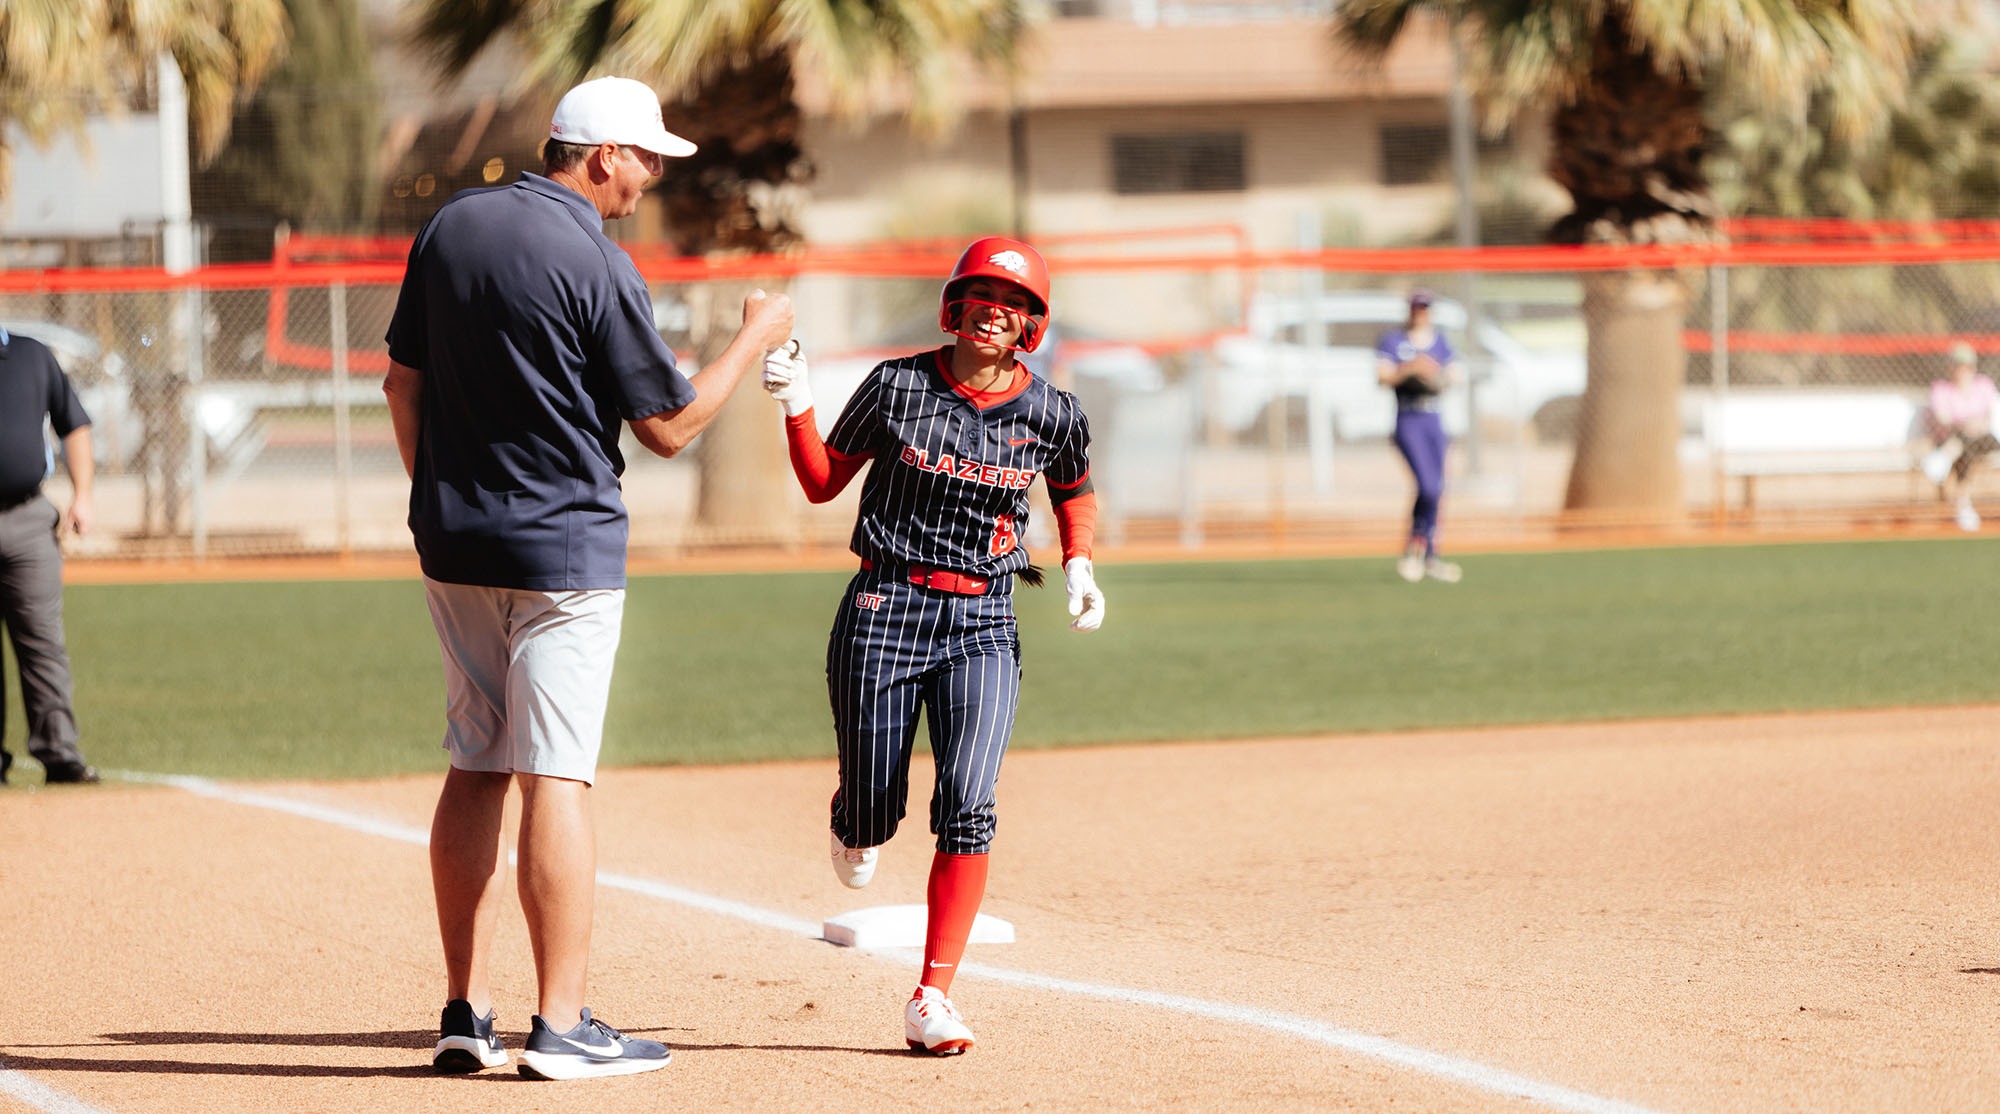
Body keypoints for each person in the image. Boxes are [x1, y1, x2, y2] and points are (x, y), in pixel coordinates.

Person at [383, 75, 794, 1081]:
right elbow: (669, 427)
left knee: (475, 762)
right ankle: (561, 1025)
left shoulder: (452, 226)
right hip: (562, 552)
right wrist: (755, 336)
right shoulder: (596, 259)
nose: (651, 176)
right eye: (646, 156)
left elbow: (401, 383)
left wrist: (438, 500)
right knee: (555, 774)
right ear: (601, 154)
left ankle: (464, 1013)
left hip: (455, 545)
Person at [757, 236, 1105, 1056]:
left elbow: (1074, 491)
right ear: (955, 303)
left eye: (1013, 302)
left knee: (970, 803)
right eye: (982, 293)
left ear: (1032, 321)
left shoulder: (1053, 412)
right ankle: (854, 815)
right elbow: (822, 482)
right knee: (875, 813)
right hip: (886, 606)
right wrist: (798, 401)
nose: (995, 310)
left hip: (984, 620)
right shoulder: (898, 386)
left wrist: (1081, 563)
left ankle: (932, 997)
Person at [0, 326, 101, 787]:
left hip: (27, 521)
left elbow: (73, 424)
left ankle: (60, 755)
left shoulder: (31, 356)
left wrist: (84, 495)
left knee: (43, 643)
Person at [1375, 289, 1463, 583]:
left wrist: (1433, 372)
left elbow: (1454, 376)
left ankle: (1430, 555)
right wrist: (1411, 369)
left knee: (1437, 489)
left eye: (1425, 308)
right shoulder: (1394, 341)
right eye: (1416, 307)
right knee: (1426, 486)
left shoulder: (1440, 342)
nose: (1420, 313)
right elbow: (1382, 377)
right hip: (1408, 417)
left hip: (1433, 417)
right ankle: (1415, 546)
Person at [1919, 341, 1998, 532]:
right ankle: (1964, 506)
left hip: (1984, 438)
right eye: (1957, 366)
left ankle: (1945, 458)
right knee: (1966, 448)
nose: (1962, 371)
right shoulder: (1941, 389)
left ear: (1973, 367)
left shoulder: (1984, 385)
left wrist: (1975, 425)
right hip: (1955, 438)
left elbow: (1992, 417)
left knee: (1967, 443)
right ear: (1950, 367)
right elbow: (1942, 419)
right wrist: (1966, 424)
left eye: (1966, 366)